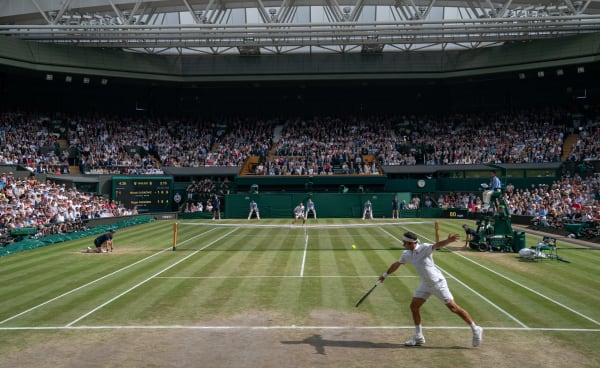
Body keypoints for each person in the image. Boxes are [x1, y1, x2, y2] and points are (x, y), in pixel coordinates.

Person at [377, 231, 483, 348]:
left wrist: (447, 241)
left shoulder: (424, 248)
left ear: (412, 243)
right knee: (414, 306)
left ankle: (475, 328)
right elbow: (397, 264)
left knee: (453, 308)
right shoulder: (406, 254)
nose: (403, 244)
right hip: (425, 284)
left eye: (405, 243)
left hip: (438, 284)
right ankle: (418, 337)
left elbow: (437, 245)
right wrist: (384, 275)